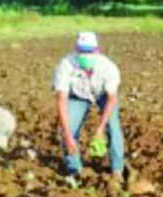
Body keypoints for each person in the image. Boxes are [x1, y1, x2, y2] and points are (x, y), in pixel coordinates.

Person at [52, 31, 124, 176]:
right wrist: (67, 135)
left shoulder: (108, 67)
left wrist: (100, 129)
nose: (85, 55)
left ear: (97, 50)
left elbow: (111, 99)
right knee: (69, 129)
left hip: (102, 95)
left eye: (89, 51)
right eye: (82, 51)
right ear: (76, 49)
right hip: (78, 96)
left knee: (113, 127)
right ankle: (75, 170)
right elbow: (61, 101)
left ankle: (117, 170)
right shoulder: (65, 65)